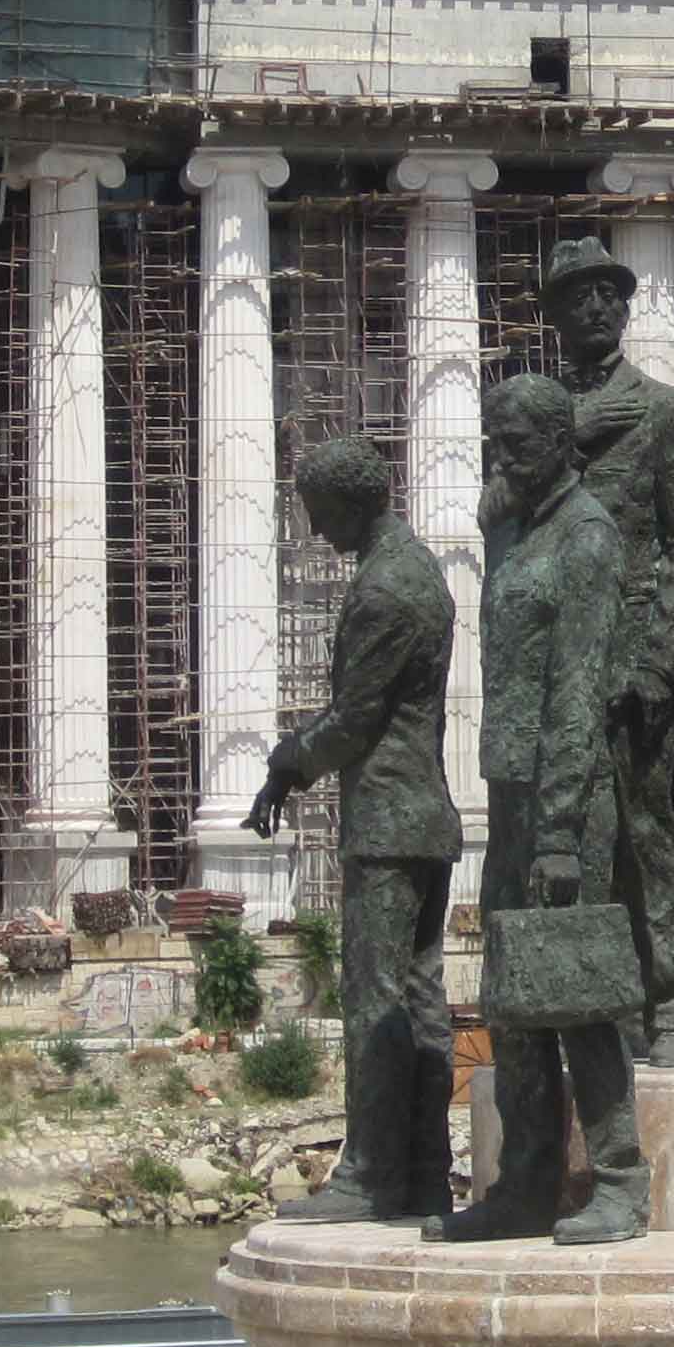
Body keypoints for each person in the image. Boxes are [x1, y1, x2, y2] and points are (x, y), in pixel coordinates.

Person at [436, 372, 650, 1248]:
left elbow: (579, 691)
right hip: (511, 789)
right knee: (513, 998)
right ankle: (525, 1180)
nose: (501, 457)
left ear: (563, 444)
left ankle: (622, 1179)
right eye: (494, 442)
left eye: (517, 443)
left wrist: (561, 830)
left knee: (578, 989)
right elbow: (496, 501)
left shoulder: (588, 537)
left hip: (568, 799)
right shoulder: (520, 526)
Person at [247, 436, 464, 1225]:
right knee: (420, 998)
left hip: (388, 818)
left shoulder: (383, 589)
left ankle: (371, 1177)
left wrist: (286, 761)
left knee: (377, 1000)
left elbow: (353, 721)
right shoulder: (422, 570)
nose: (314, 532)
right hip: (425, 815)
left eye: (317, 514)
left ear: (349, 503)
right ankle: (426, 1173)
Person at [531, 234, 674, 1067]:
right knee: (566, 835)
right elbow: (498, 511)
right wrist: (568, 432)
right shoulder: (537, 419)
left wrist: (658, 657)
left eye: (609, 292)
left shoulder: (665, 411)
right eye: (578, 295)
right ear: (556, 314)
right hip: (556, 656)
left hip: (636, 654)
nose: (596, 307)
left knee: (650, 835)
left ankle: (670, 1005)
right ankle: (594, 1013)